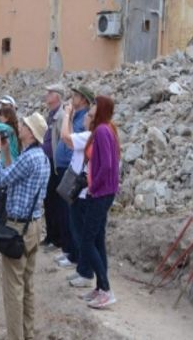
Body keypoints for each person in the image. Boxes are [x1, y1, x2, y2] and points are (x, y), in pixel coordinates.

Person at [0, 112, 51, 340]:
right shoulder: (40, 157)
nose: (20, 127)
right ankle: (28, 333)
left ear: (31, 134)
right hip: (34, 226)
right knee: (27, 285)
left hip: (18, 227)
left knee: (13, 289)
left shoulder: (29, 158)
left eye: (24, 125)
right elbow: (13, 173)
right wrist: (5, 151)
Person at [78, 96, 120, 309]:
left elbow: (108, 166)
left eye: (94, 104)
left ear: (100, 108)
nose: (90, 107)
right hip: (101, 191)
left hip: (100, 193)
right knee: (97, 240)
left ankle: (106, 289)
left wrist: (92, 189)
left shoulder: (103, 130)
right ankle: (101, 287)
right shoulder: (103, 129)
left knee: (87, 241)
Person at [54, 86, 94, 271]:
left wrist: (67, 115)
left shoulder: (85, 120)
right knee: (67, 214)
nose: (72, 97)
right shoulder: (78, 117)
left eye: (77, 96)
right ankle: (71, 252)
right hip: (70, 170)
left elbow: (66, 137)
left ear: (84, 100)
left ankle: (77, 258)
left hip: (77, 175)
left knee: (75, 219)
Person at [41, 84, 65, 252]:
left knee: (56, 203)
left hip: (55, 165)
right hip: (47, 163)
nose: (46, 95)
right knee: (47, 201)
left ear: (57, 96)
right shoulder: (50, 116)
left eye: (50, 93)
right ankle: (50, 236)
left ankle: (57, 239)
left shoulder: (61, 116)